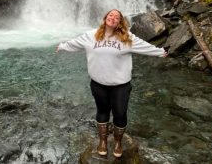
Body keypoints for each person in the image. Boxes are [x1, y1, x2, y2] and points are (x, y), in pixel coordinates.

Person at [56, 9, 167, 158]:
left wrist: (160, 52)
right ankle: (102, 141)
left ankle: (118, 142)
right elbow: (75, 43)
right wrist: (62, 46)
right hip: (98, 83)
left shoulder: (127, 38)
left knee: (120, 114)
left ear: (120, 22)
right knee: (102, 112)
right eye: (111, 15)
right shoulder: (91, 35)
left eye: (117, 17)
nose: (113, 18)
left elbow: (144, 46)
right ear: (105, 18)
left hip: (120, 85)